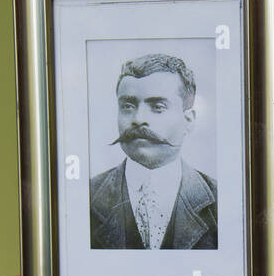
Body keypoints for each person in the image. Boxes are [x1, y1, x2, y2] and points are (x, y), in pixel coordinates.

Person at [89, 53, 217, 250]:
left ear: (188, 121)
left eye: (158, 107)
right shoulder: (86, 196)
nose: (139, 119)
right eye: (127, 106)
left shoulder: (220, 200)